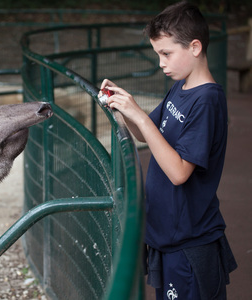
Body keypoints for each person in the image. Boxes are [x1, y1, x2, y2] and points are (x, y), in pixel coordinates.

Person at [99, 1, 237, 299]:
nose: (161, 62)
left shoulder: (207, 101)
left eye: (166, 53)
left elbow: (178, 172)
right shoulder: (181, 86)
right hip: (169, 237)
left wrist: (137, 113)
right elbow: (147, 133)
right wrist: (123, 106)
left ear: (195, 47)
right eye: (158, 54)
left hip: (191, 243)